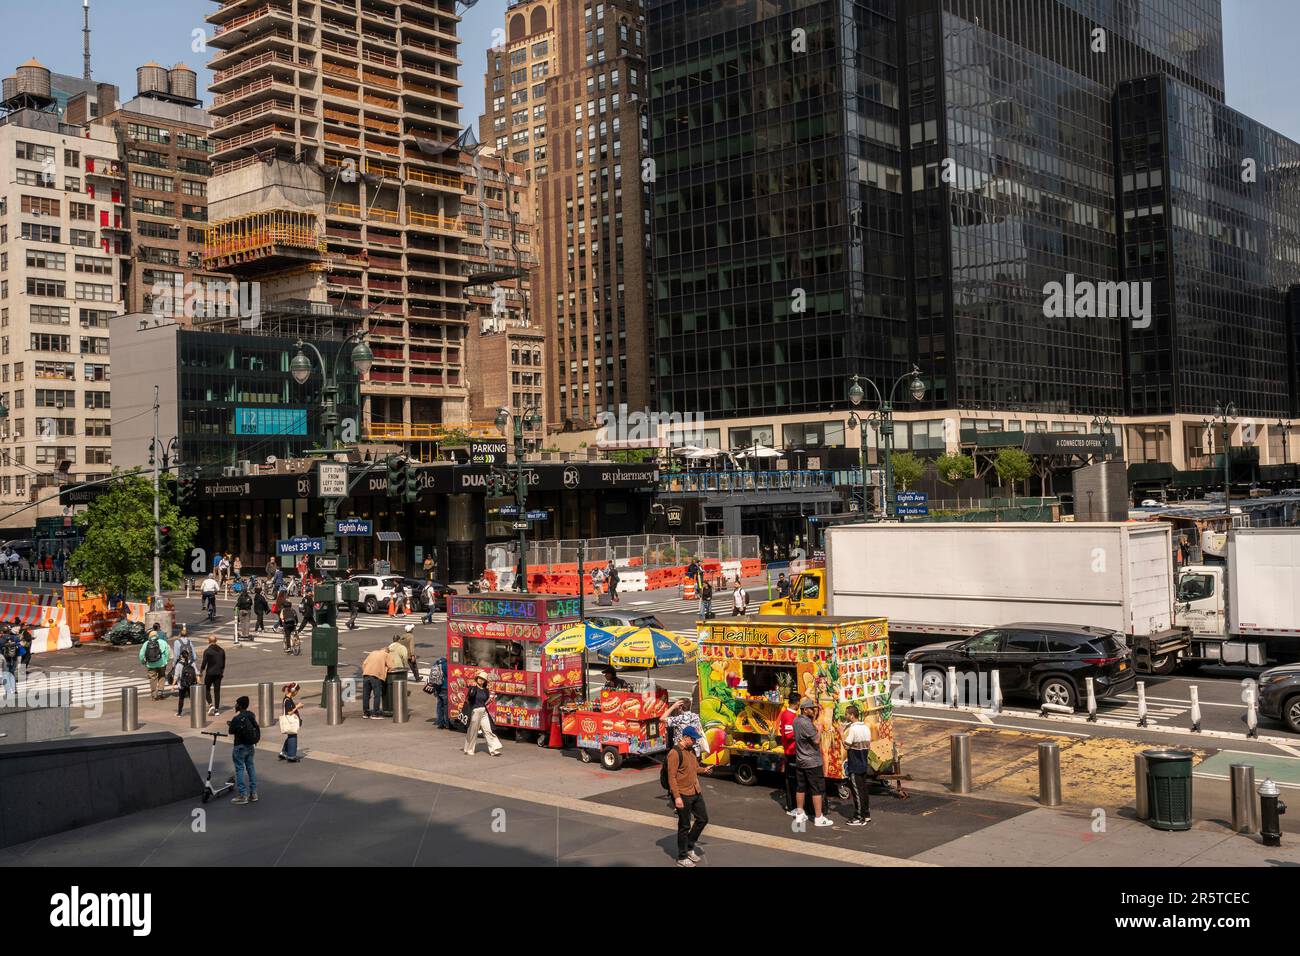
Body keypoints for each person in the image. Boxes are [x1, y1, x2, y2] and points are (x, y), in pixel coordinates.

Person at [667, 725, 712, 866]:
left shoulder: (691, 750)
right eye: (693, 739)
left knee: (703, 819)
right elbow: (671, 777)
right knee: (684, 826)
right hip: (683, 794)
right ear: (686, 737)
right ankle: (681, 857)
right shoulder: (674, 753)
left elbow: (693, 768)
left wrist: (704, 770)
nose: (695, 741)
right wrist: (677, 797)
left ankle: (689, 846)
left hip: (695, 791)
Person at [792, 698, 833, 827]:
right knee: (817, 789)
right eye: (811, 709)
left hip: (800, 760)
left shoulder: (796, 721)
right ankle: (819, 817)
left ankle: (800, 814)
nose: (813, 710)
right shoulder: (806, 724)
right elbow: (816, 740)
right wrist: (819, 730)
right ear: (804, 710)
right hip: (812, 762)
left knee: (800, 787)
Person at [842, 705, 873, 826]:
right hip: (864, 762)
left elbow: (846, 745)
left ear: (851, 715)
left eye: (846, 714)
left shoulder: (853, 730)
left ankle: (858, 817)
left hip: (855, 763)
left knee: (857, 791)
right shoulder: (866, 727)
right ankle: (866, 814)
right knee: (864, 790)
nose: (845, 716)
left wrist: (840, 733)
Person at [227, 696, 260, 805]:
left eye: (237, 703)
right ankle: (253, 793)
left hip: (239, 747)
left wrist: (231, 724)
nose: (235, 705)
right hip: (250, 746)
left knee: (240, 769)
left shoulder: (237, 718)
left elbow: (231, 731)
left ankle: (242, 795)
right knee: (251, 768)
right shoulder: (251, 716)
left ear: (240, 705)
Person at [462, 671, 502, 756]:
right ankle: (469, 749)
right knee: (473, 731)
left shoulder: (486, 690)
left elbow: (484, 702)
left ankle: (493, 749)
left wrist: (490, 700)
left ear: (485, 681)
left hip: (483, 711)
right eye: (480, 678)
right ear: (477, 679)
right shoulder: (473, 688)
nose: (481, 680)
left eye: (483, 679)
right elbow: (469, 698)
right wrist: (472, 688)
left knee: (488, 730)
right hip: (475, 711)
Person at [777, 692, 801, 813]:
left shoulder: (789, 714)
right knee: (792, 781)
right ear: (797, 703)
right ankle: (791, 806)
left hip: (792, 750)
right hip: (791, 751)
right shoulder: (789, 715)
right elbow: (788, 734)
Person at [139, 625, 171, 701]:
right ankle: (160, 691)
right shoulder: (163, 642)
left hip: (150, 664)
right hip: (162, 663)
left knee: (152, 679)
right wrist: (166, 660)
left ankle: (154, 695)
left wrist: (143, 662)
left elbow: (141, 655)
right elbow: (167, 653)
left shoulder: (146, 643)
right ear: (157, 635)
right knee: (162, 676)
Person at [201, 635, 226, 716]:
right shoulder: (222, 650)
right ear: (216, 640)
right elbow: (223, 664)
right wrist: (221, 672)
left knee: (206, 688)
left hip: (210, 673)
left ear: (209, 641)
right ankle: (217, 710)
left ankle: (211, 704)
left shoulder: (207, 651)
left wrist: (201, 672)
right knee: (217, 691)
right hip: (219, 673)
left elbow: (204, 664)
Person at [362, 647, 389, 719]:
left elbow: (364, 663)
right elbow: (391, 665)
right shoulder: (386, 654)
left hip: (366, 674)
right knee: (377, 695)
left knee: (366, 695)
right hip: (376, 676)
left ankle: (366, 713)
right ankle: (375, 713)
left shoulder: (372, 652)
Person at [279, 682, 303, 762]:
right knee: (292, 736)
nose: (297, 693)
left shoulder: (287, 699)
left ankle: (284, 752)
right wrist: (297, 706)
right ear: (293, 691)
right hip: (290, 722)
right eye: (297, 691)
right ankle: (291, 756)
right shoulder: (287, 700)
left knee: (290, 736)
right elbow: (289, 712)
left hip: (290, 722)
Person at [174, 649, 198, 717]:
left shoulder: (179, 664)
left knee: (181, 698)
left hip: (182, 684)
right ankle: (194, 712)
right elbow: (196, 672)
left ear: (181, 656)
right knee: (192, 698)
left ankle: (179, 713)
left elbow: (176, 675)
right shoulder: (192, 663)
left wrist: (173, 685)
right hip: (191, 683)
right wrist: (198, 681)